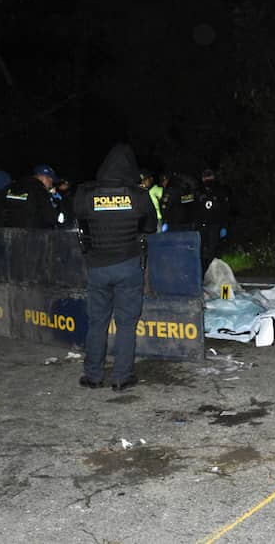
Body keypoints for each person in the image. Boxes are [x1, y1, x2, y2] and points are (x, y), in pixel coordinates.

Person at [73, 144, 157, 392]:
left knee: (97, 322)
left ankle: (92, 376)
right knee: (126, 323)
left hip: (97, 266)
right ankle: (121, 377)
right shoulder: (138, 195)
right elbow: (151, 226)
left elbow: (79, 220)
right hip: (128, 265)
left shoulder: (87, 193)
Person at [195, 167, 231, 272]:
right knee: (202, 252)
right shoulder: (198, 191)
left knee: (213, 251)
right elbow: (189, 204)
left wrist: (224, 226)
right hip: (202, 226)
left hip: (215, 226)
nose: (208, 180)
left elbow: (225, 209)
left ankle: (213, 273)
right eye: (206, 177)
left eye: (209, 177)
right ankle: (204, 274)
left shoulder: (220, 191)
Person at [4, 164, 58, 228]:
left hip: (8, 234)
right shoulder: (39, 190)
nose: (51, 185)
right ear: (43, 177)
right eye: (50, 180)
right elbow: (50, 218)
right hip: (32, 235)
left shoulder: (11, 187)